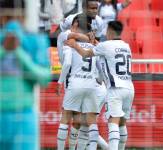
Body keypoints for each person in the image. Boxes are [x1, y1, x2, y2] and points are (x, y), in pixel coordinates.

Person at [65, 20, 134, 150]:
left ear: (110, 32)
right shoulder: (127, 46)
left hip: (115, 89)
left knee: (113, 123)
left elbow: (86, 54)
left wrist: (75, 45)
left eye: (107, 31)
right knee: (122, 124)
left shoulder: (106, 45)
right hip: (129, 88)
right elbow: (107, 54)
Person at [0, 0, 51, 150]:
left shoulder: (35, 40)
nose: (13, 24)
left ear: (24, 17)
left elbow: (44, 79)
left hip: (23, 115)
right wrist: (4, 50)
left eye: (17, 19)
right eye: (9, 19)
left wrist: (18, 52)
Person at [56, 14, 100, 150]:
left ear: (75, 24)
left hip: (74, 81)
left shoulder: (69, 42)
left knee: (66, 117)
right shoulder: (95, 46)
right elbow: (99, 67)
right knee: (82, 120)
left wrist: (60, 82)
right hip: (92, 85)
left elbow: (67, 63)